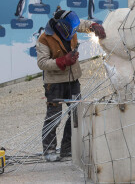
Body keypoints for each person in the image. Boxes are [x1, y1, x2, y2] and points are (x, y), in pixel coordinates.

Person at [36, 9, 106, 161]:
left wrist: (94, 25)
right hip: (54, 84)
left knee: (76, 114)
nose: (75, 30)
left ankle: (67, 148)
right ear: (61, 26)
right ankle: (49, 150)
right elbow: (42, 63)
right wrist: (62, 61)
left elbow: (82, 24)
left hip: (73, 80)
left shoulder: (71, 25)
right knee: (53, 117)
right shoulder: (44, 39)